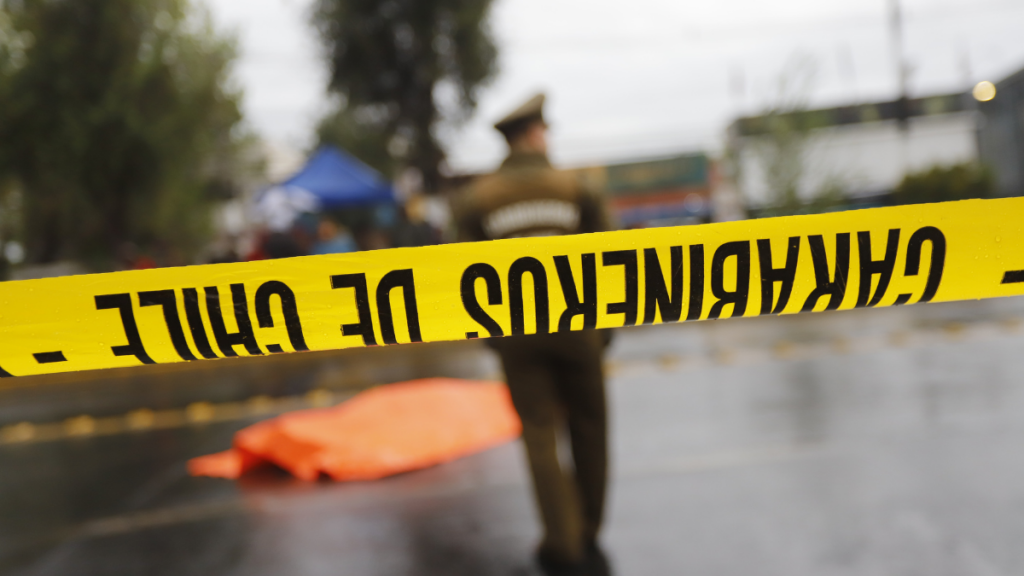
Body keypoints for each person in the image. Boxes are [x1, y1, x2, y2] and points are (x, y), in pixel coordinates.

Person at [455, 93, 614, 576]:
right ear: (533, 135)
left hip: (516, 331)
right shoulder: (575, 187)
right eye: (545, 130)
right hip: (578, 324)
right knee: (590, 424)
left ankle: (561, 541)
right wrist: (606, 325)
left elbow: (460, 271)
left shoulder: (476, 198)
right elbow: (609, 253)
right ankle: (588, 529)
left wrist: (491, 336)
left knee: (539, 432)